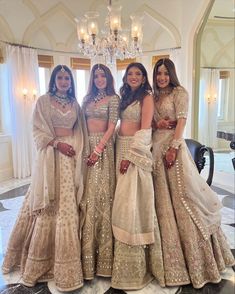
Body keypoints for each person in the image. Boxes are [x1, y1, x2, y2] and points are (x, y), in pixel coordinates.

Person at [2, 65, 87, 292]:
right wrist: (58, 144)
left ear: (71, 81)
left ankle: (66, 263)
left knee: (66, 207)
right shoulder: (43, 101)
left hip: (70, 158)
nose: (63, 81)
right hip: (51, 156)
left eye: (67, 78)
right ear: (53, 80)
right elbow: (37, 130)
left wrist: (75, 149)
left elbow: (80, 131)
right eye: (59, 77)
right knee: (46, 205)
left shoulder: (75, 105)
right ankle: (39, 260)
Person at [152, 58, 235, 289]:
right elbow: (149, 121)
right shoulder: (155, 95)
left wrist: (173, 148)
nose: (162, 77)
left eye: (165, 73)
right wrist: (157, 126)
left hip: (173, 151)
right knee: (162, 204)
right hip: (155, 150)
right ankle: (167, 259)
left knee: (184, 199)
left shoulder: (180, 92)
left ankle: (198, 261)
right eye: (158, 73)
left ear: (172, 74)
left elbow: (181, 122)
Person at [107, 62, 165, 293]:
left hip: (134, 151)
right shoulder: (124, 95)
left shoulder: (146, 97)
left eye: (137, 74)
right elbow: (119, 124)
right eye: (130, 73)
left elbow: (145, 130)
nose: (133, 77)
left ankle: (135, 265)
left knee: (131, 202)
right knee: (119, 200)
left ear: (143, 78)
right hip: (118, 146)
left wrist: (130, 156)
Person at [79, 64, 120, 280]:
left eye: (102, 75)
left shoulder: (113, 99)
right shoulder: (86, 99)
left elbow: (112, 127)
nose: (99, 79)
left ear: (108, 77)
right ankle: (85, 254)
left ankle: (103, 256)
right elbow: (81, 125)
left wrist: (98, 149)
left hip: (103, 150)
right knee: (86, 196)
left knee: (101, 196)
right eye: (96, 76)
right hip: (86, 148)